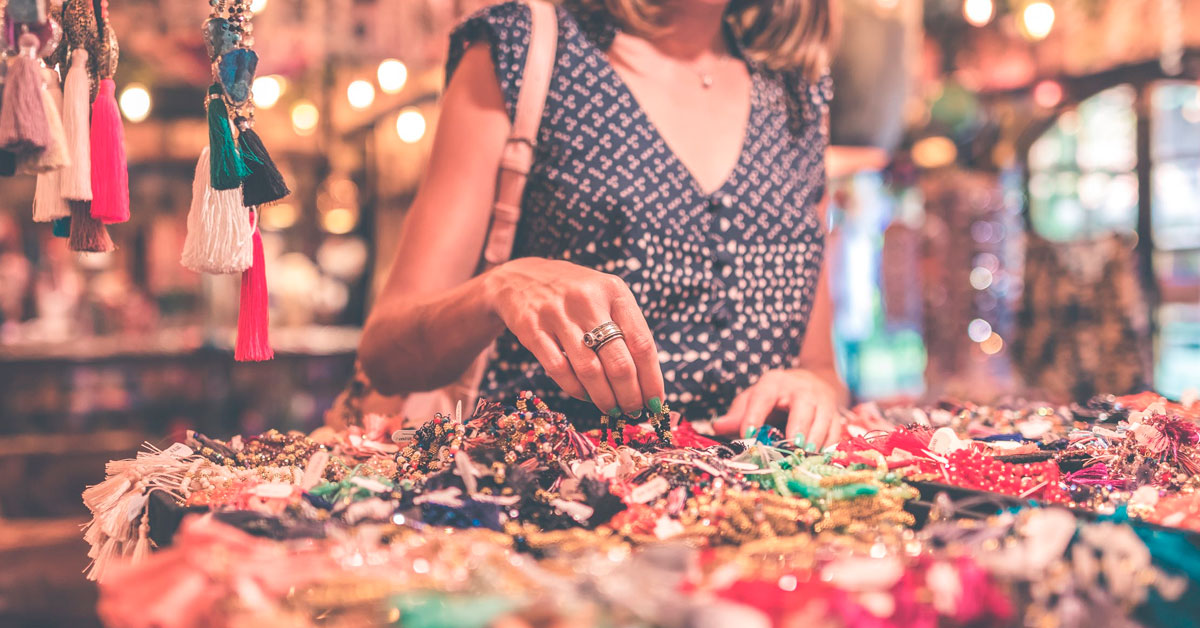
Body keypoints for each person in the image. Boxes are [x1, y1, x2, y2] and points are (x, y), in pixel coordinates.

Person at [359, 0, 849, 448]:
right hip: (550, 509)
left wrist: (810, 387)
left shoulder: (797, 91)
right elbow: (386, 355)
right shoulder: (525, 48)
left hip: (760, 516)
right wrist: (499, 288)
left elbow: (820, 368)